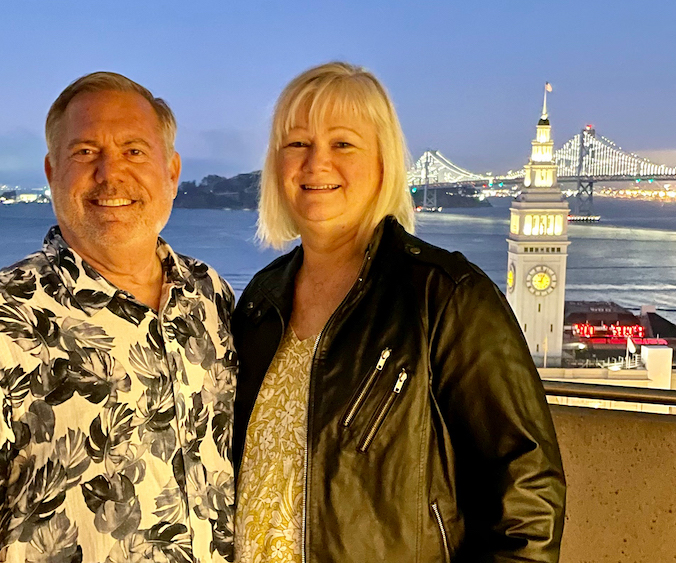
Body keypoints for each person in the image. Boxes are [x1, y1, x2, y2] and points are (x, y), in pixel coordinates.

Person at [0, 72, 237, 563]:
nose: (111, 173)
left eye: (135, 151)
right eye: (85, 152)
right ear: (53, 173)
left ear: (172, 173)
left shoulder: (208, 296)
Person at [232, 62, 566, 563]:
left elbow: (528, 494)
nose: (315, 163)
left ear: (384, 162)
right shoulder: (261, 301)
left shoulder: (446, 297)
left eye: (342, 143)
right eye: (296, 143)